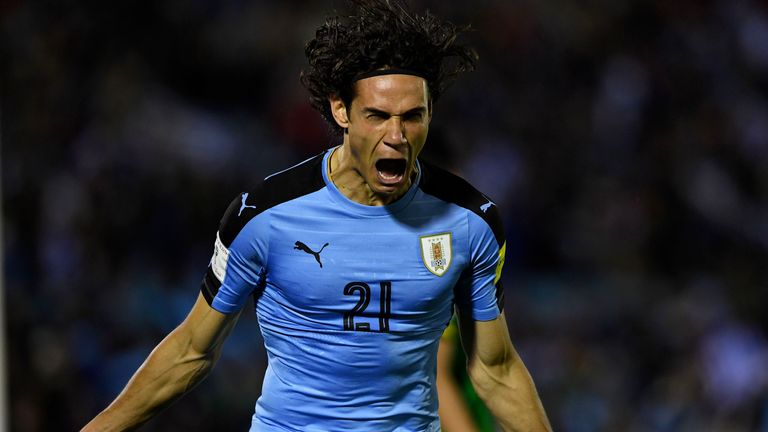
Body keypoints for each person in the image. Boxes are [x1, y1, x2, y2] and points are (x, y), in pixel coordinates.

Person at [82, 1, 552, 431]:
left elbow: (495, 368)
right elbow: (191, 350)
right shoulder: (264, 216)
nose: (397, 135)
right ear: (340, 110)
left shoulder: (470, 223)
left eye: (413, 116)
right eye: (377, 115)